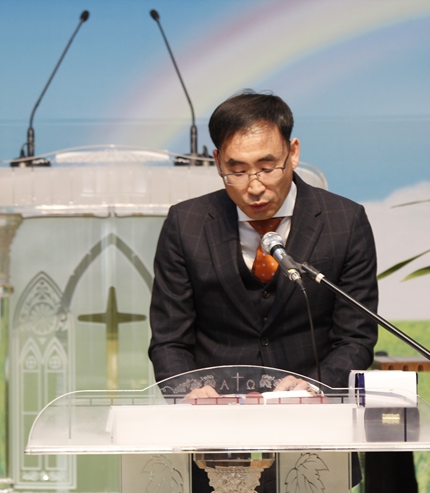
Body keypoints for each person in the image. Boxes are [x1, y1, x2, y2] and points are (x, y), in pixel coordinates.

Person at [148, 90, 415, 492]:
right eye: (236, 170)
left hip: (314, 438)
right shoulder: (186, 224)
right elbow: (169, 339)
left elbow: (356, 337)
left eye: (267, 167)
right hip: (214, 440)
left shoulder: (345, 221)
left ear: (293, 153)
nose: (254, 187)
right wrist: (188, 391)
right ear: (217, 161)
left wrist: (315, 386)